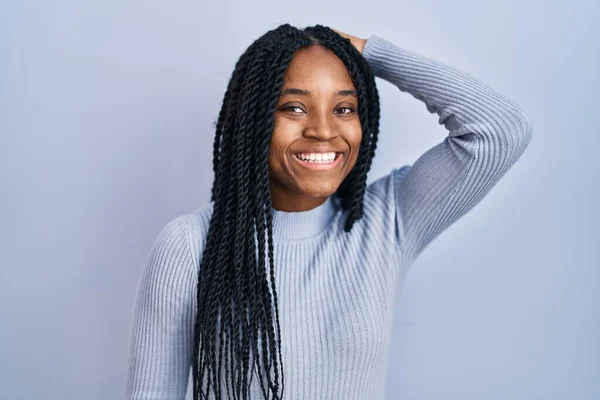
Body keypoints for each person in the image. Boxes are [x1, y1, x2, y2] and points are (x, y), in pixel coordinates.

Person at [126, 23, 532, 400]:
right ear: (250, 118)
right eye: (294, 108)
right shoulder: (189, 245)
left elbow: (500, 130)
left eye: (343, 108)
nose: (323, 130)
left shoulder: (386, 221)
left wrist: (371, 53)